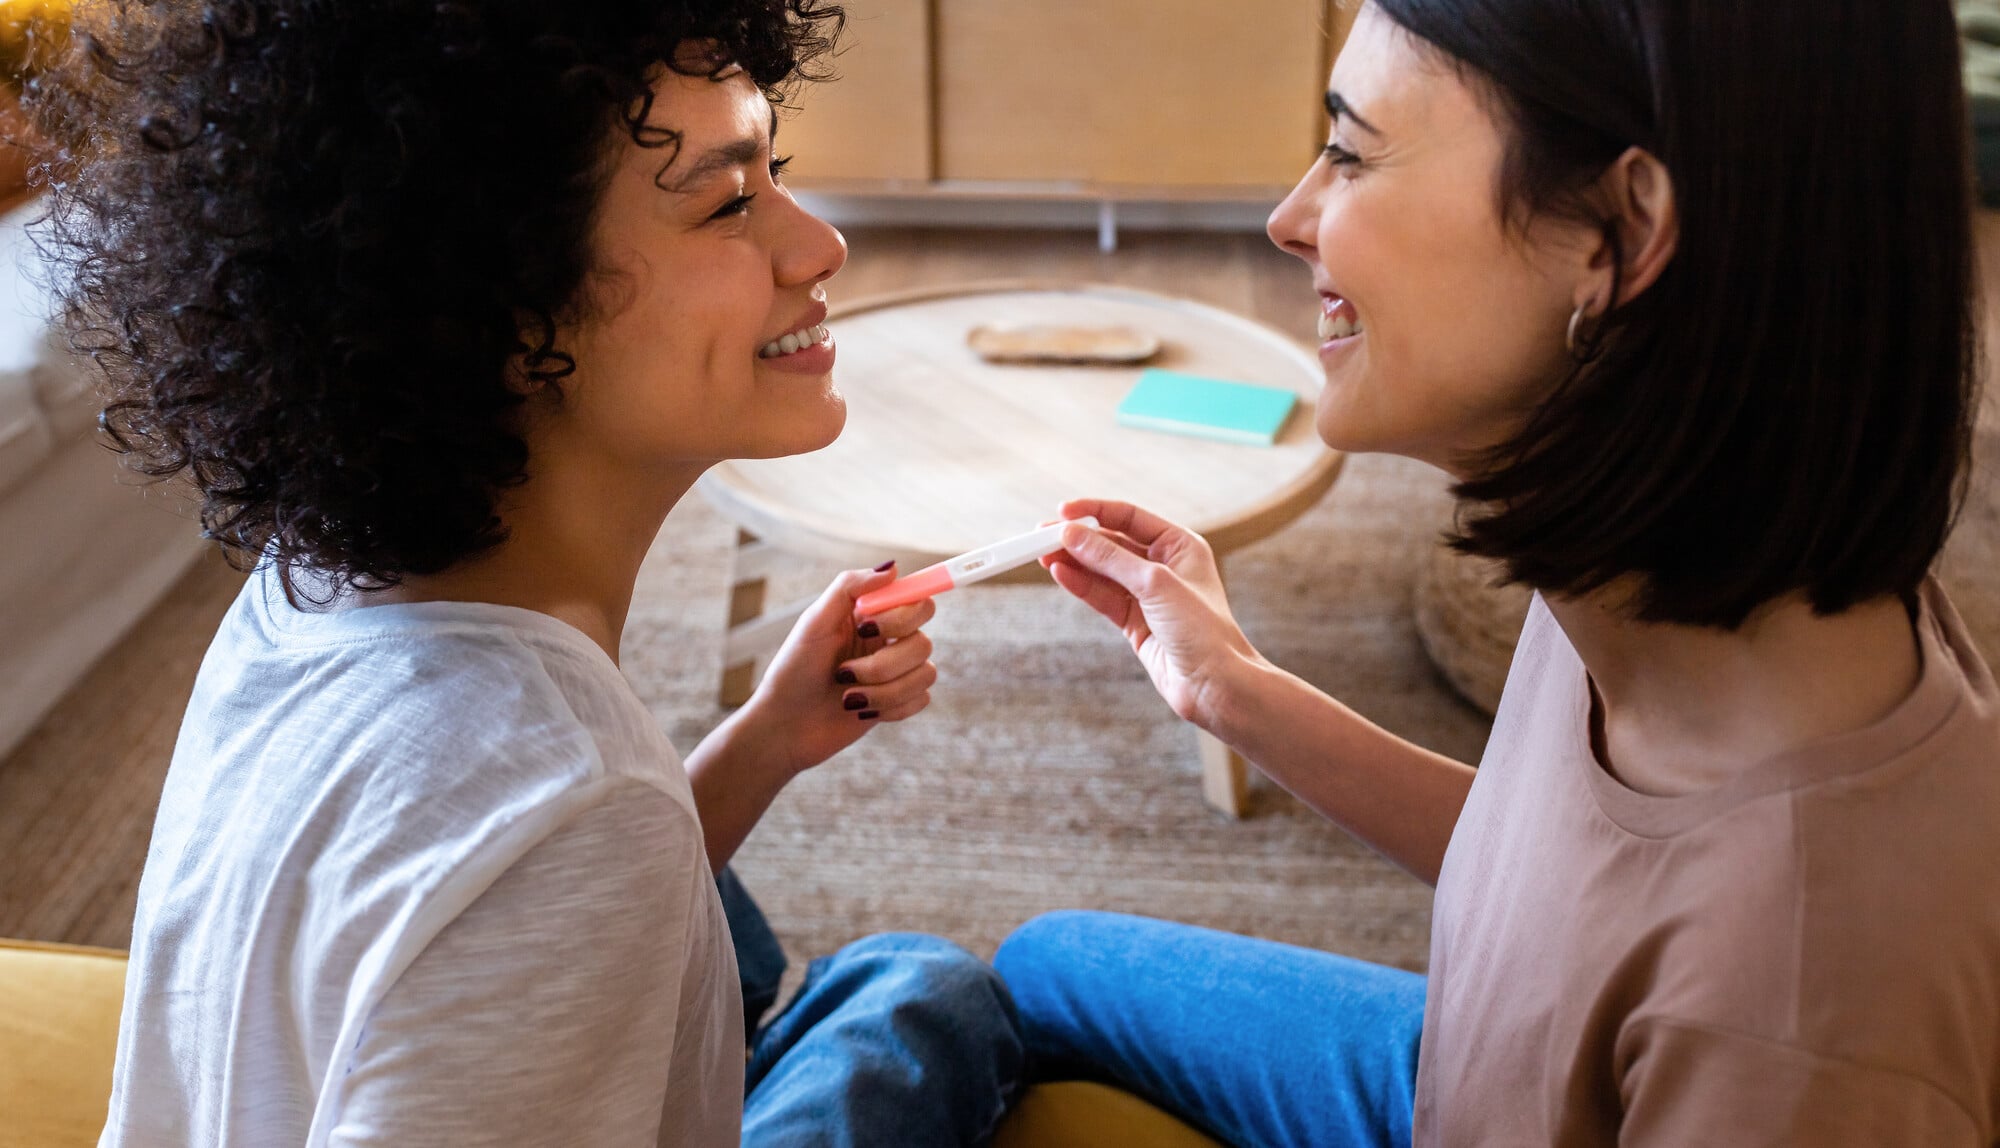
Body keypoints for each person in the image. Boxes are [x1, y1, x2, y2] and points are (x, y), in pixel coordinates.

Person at [993, 0, 2000, 1145]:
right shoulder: (1694, 551)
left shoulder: (1790, 1026)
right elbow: (1584, 884)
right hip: (1471, 1077)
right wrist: (1229, 689)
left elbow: (1691, 925)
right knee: (1038, 971)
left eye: (1350, 151)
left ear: (1612, 236)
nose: (1288, 217)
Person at [28, 2, 1023, 1144]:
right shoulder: (572, 809)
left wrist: (765, 739)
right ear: (493, 307)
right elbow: (541, 859)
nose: (818, 245)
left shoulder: (304, 588)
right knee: (920, 991)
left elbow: (495, 872)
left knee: (722, 914)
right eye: (729, 202)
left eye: (772, 170)